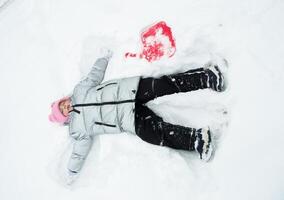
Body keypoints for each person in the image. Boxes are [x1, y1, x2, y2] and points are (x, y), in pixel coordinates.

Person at [49, 50, 226, 184]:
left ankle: (206, 77)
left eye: (62, 104)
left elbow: (94, 75)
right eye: (62, 111)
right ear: (64, 119)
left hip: (130, 89)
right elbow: (79, 151)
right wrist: (71, 171)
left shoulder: (80, 91)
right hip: (127, 118)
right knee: (154, 135)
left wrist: (103, 57)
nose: (65, 107)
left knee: (164, 85)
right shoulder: (77, 129)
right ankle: (197, 139)